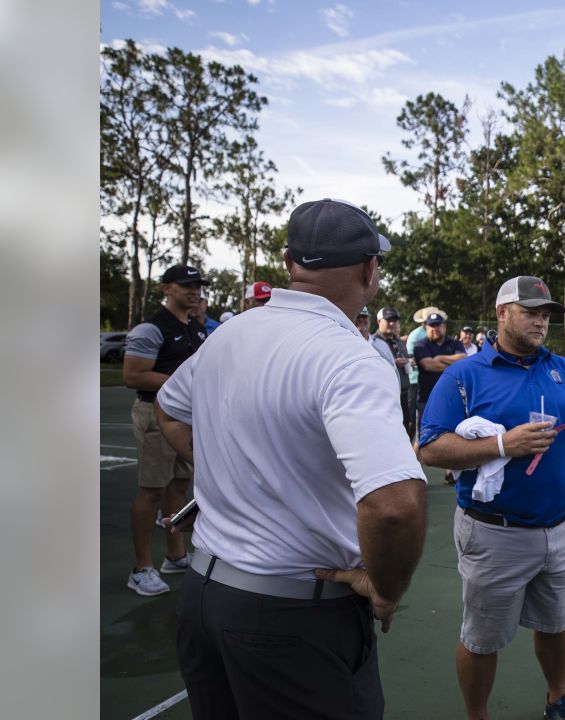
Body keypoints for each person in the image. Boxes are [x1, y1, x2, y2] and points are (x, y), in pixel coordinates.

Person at [154, 197, 427, 719]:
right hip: (293, 614)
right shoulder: (348, 355)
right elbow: (395, 504)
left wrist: (231, 475)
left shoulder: (228, 333)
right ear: (371, 270)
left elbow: (170, 411)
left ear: (288, 263)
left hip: (203, 596)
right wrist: (385, 587)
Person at [418, 275, 565, 720]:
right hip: (494, 533)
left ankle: (557, 698)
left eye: (546, 314)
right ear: (503, 313)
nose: (541, 322)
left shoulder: (564, 369)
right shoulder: (464, 374)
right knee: (482, 638)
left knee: (555, 623)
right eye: (531, 312)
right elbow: (429, 449)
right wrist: (504, 445)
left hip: (562, 527)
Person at [121, 263, 209, 596]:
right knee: (151, 491)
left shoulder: (196, 329)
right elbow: (133, 375)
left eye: (197, 285)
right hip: (155, 414)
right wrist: (184, 386)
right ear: (166, 289)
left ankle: (174, 555)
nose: (194, 290)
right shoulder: (151, 329)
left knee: (178, 487)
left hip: (185, 417)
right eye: (186, 285)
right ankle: (141, 567)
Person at [413, 310, 467, 483]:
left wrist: (440, 358)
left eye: (439, 325)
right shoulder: (420, 345)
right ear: (425, 327)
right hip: (426, 398)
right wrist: (450, 363)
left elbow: (463, 359)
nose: (435, 328)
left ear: (444, 326)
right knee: (422, 437)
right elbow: (428, 365)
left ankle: (450, 473)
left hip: (452, 397)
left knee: (453, 432)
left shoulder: (455, 342)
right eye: (432, 325)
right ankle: (411, 472)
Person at [371, 307, 415, 439]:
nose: (392, 323)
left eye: (394, 320)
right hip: (386, 395)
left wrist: (409, 362)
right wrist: (393, 363)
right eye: (388, 320)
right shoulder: (373, 341)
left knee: (406, 426)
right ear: (379, 321)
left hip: (405, 391)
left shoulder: (398, 340)